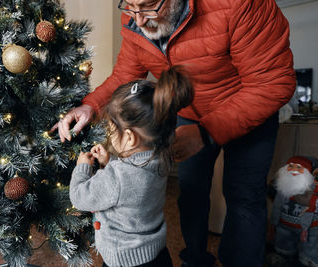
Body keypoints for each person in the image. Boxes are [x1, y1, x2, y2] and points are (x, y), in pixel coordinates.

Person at [53, 0, 296, 266]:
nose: (139, 19)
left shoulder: (240, 4)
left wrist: (207, 131)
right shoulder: (135, 15)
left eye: (148, 6)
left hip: (249, 110)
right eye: (130, 5)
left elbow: (273, 81)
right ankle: (195, 259)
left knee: (244, 198)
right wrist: (91, 105)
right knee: (191, 190)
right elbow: (126, 73)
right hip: (189, 113)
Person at [69, 66, 193, 267]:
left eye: (111, 129)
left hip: (123, 258)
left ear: (129, 137)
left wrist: (82, 167)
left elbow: (80, 197)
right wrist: (111, 162)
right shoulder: (162, 156)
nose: (109, 134)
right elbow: (134, 180)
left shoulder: (116, 178)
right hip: (156, 253)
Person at [268, 156, 318, 267]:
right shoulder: (283, 187)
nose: (294, 170)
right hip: (285, 226)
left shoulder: (314, 189)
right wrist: (274, 222)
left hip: (310, 228)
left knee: (310, 249)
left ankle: (308, 261)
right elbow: (277, 206)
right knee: (283, 245)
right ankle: (282, 256)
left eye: (299, 167)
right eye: (291, 166)